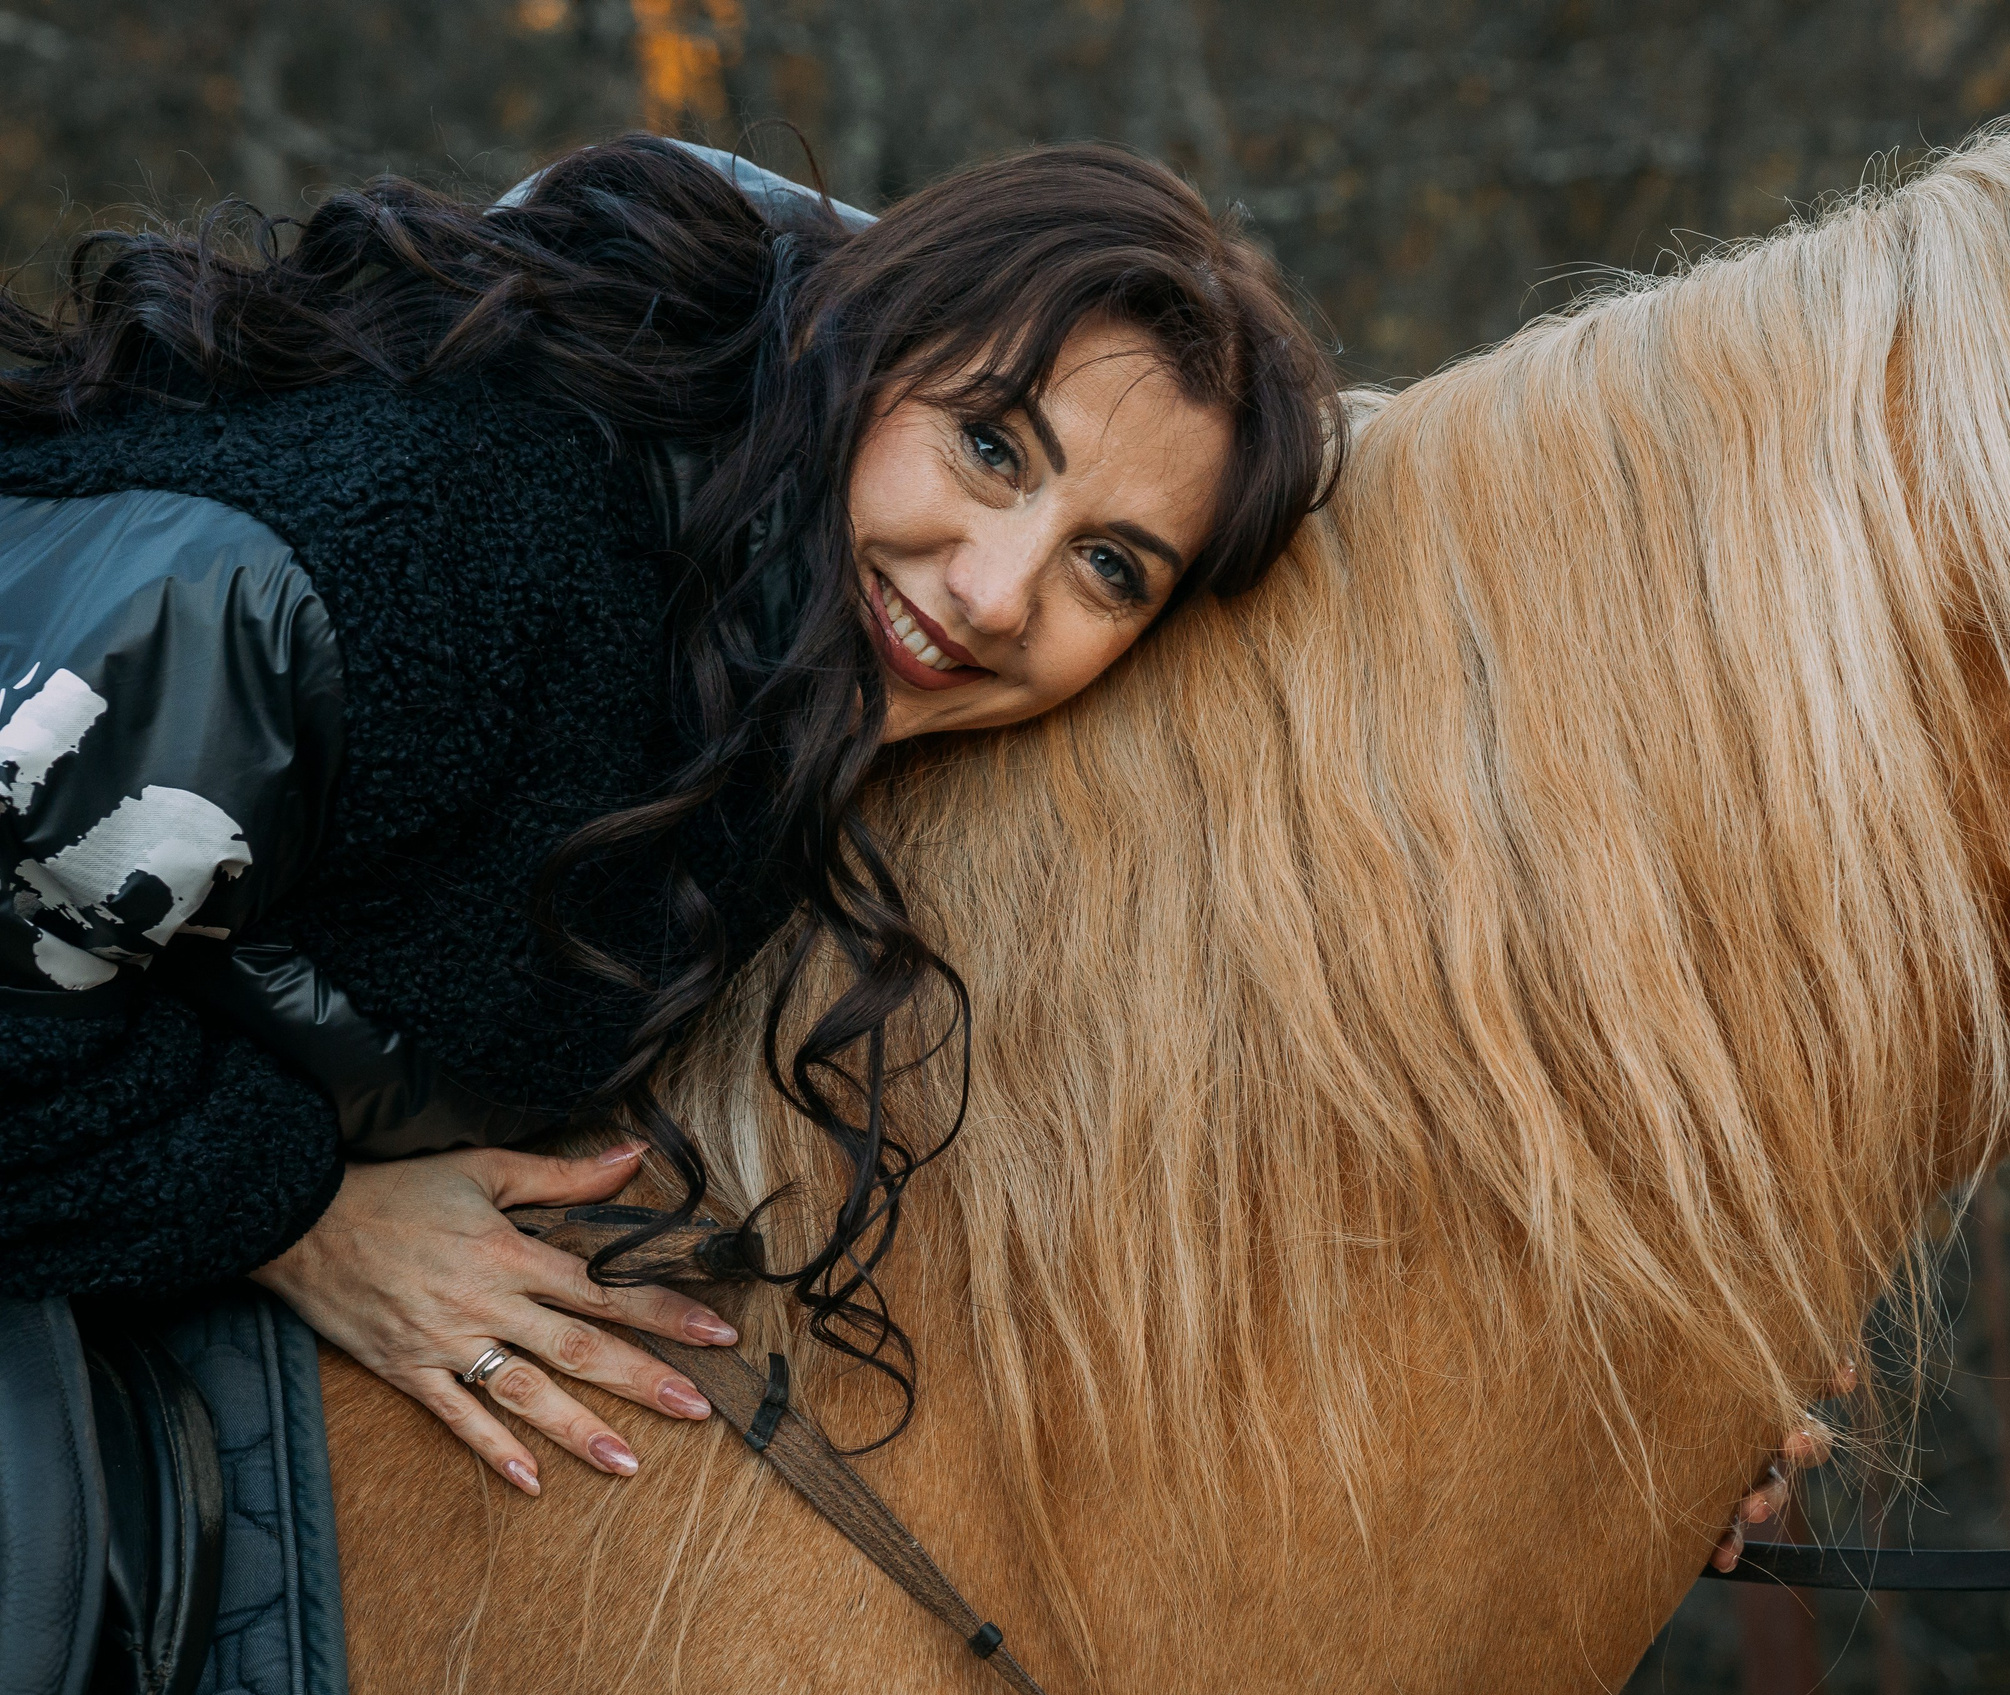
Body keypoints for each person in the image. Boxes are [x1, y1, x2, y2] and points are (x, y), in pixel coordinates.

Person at [0, 135, 1341, 1498]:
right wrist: (298, 1218)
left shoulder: (756, 697)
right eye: (990, 447)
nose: (999, 594)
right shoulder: (448, 543)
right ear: (850, 351)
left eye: (1110, 566)